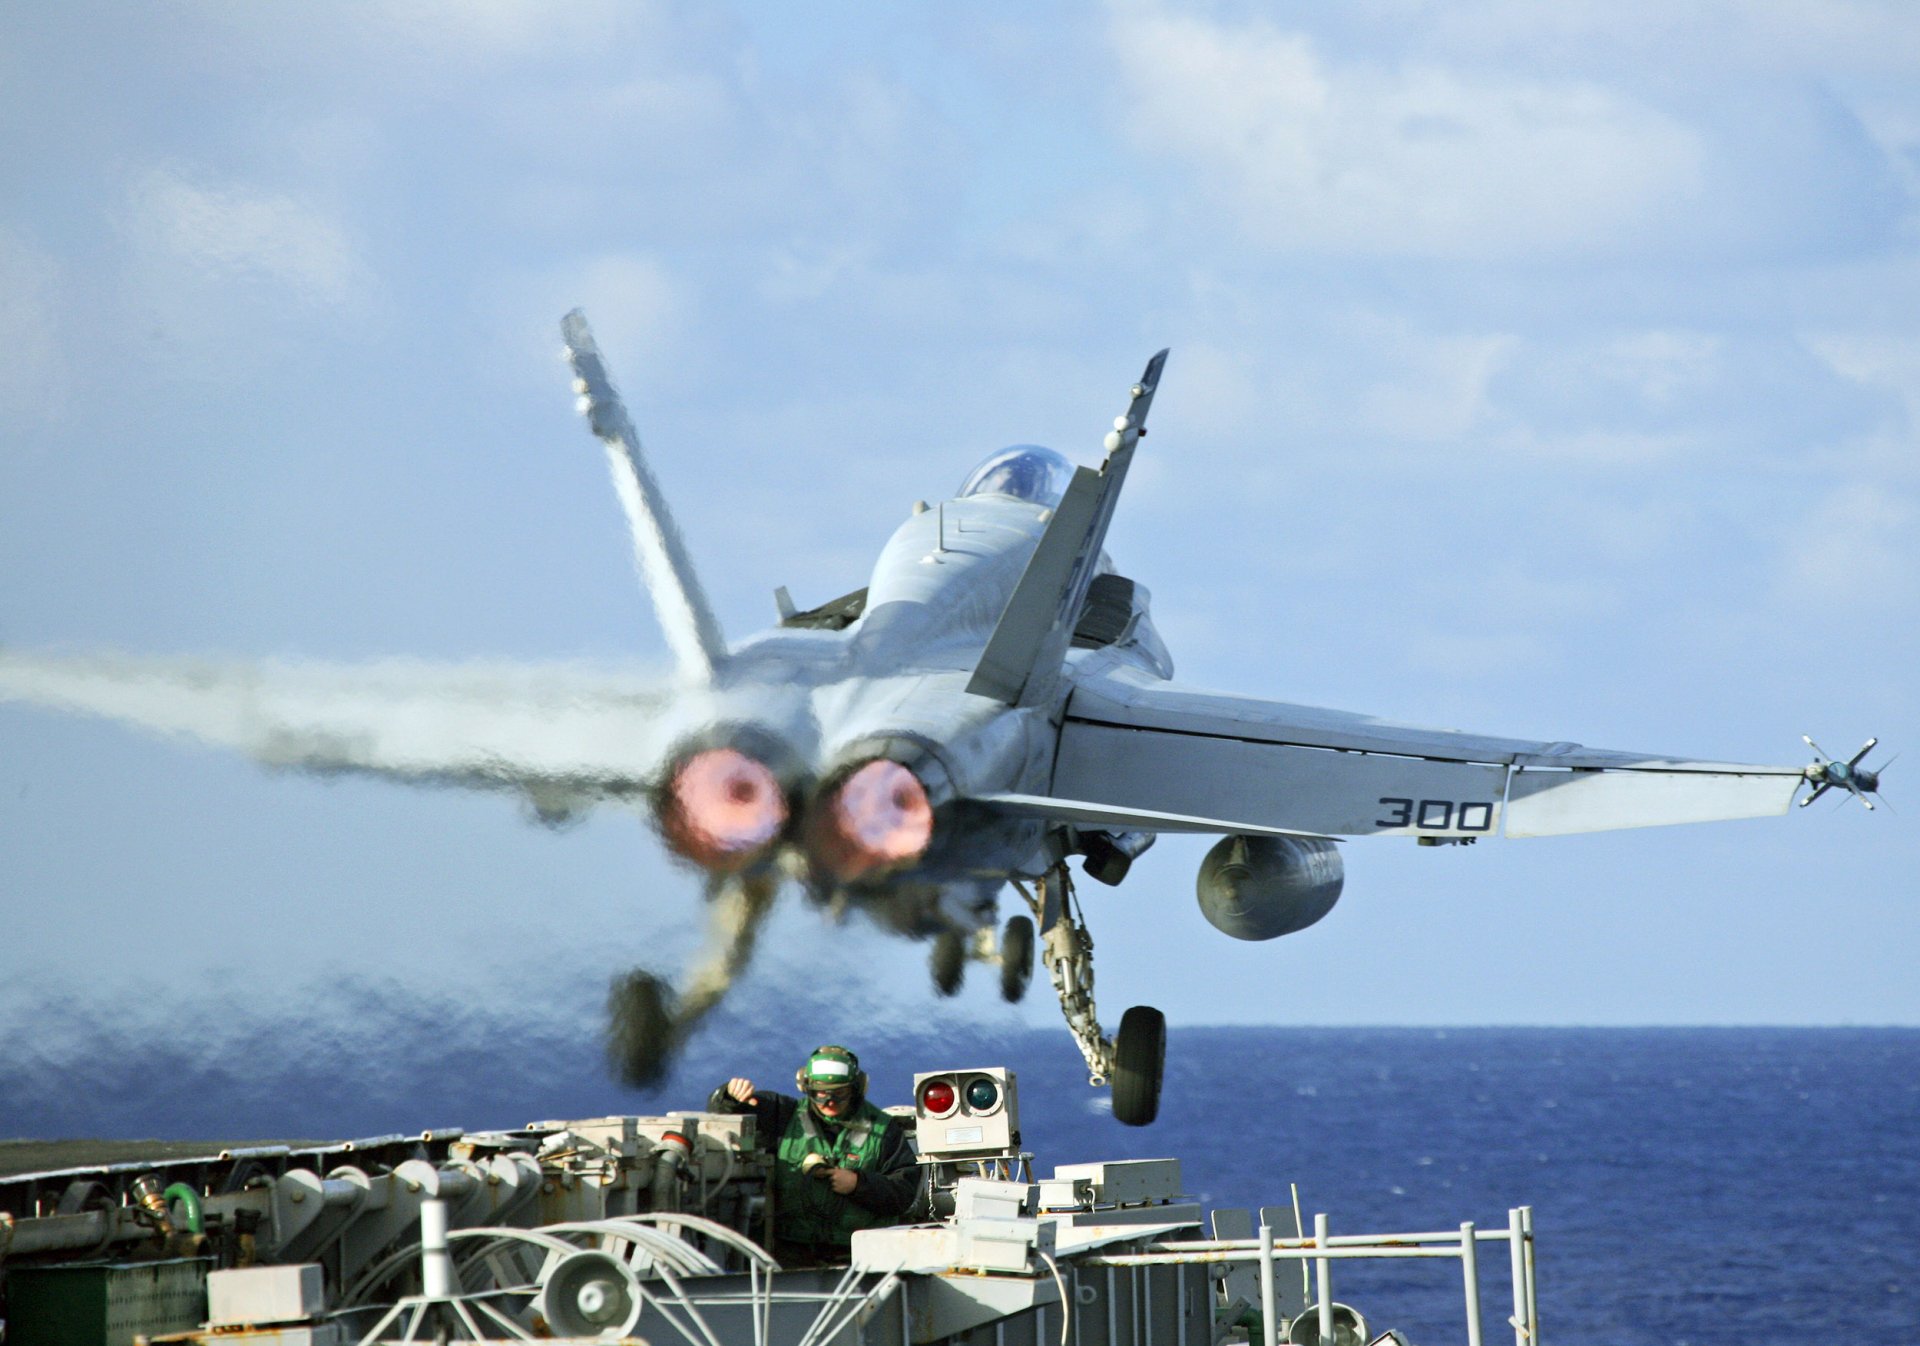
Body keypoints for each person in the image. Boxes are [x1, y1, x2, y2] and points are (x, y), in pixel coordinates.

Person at [708, 1044, 919, 1265]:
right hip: (790, 1256)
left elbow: (904, 1191)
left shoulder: (883, 1130)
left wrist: (858, 1184)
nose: (829, 1102)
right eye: (820, 1094)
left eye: (840, 1094)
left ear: (856, 1088)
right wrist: (730, 1095)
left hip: (860, 1258)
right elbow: (724, 1114)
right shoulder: (783, 1115)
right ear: (806, 1087)